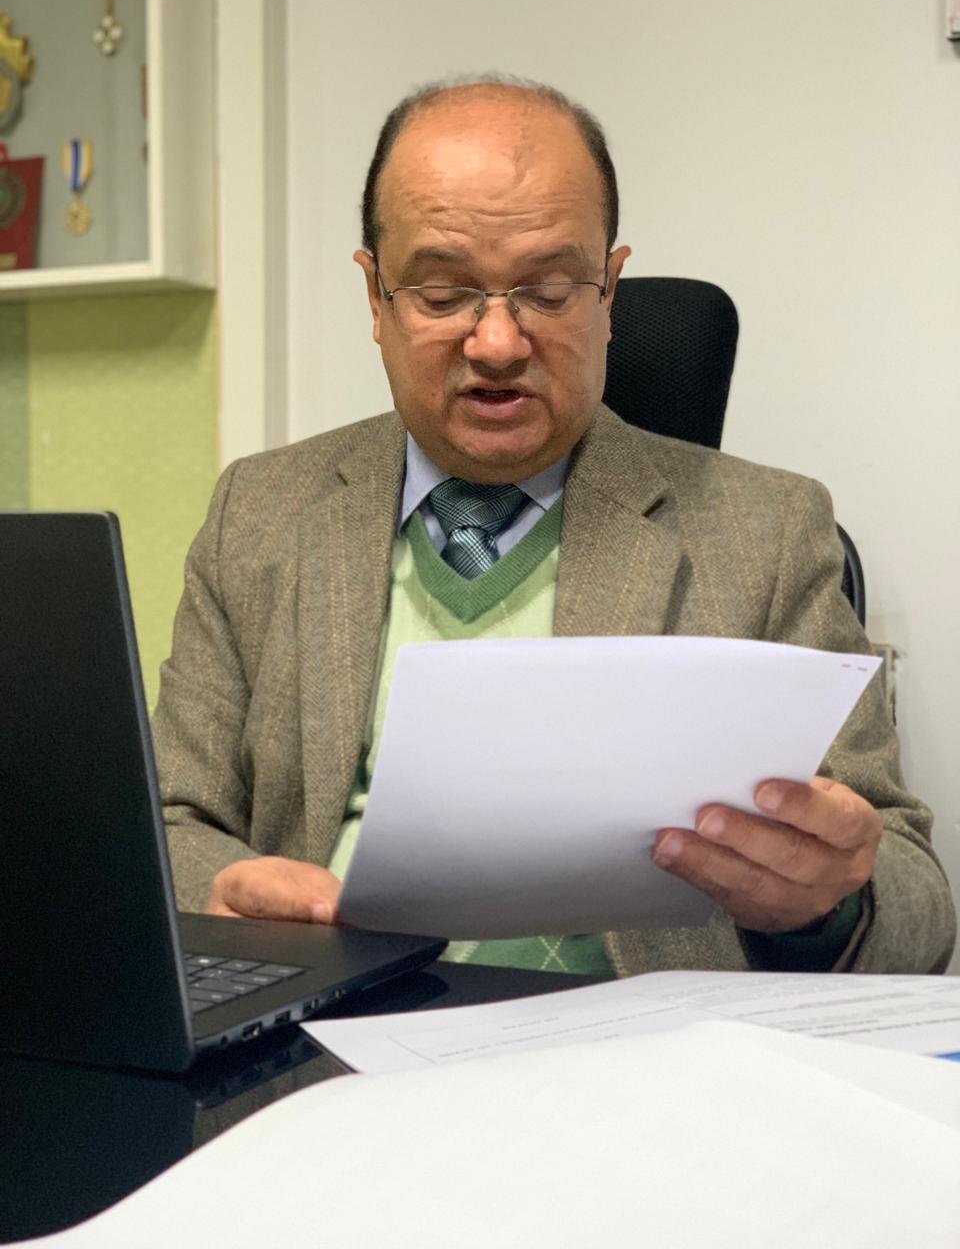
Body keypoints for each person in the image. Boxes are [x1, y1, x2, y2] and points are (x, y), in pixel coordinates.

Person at [154, 77, 955, 976]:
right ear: (376, 297)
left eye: (548, 290)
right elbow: (169, 822)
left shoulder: (767, 533)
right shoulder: (260, 514)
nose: (497, 343)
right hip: (335, 1027)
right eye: (443, 292)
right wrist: (221, 892)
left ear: (610, 292)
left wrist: (827, 904)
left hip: (639, 1045)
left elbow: (917, 909)